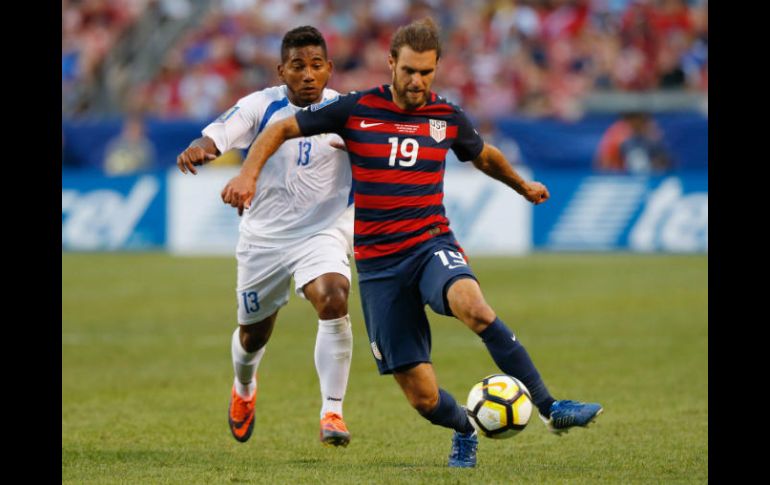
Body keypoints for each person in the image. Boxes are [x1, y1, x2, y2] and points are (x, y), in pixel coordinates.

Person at [220, 18, 603, 467]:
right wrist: (247, 172)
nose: (417, 81)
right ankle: (464, 427)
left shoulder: (445, 117)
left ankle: (549, 407)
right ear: (391, 65)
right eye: (409, 71)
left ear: (436, 68)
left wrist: (523, 186)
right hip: (380, 267)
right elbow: (280, 129)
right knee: (422, 398)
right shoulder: (355, 110)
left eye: (426, 72)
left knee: (474, 307)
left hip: (429, 244)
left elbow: (484, 155)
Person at [176, 26, 355, 447]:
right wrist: (200, 149)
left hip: (321, 231)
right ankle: (244, 387)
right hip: (264, 240)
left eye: (316, 66)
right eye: (298, 66)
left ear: (329, 69)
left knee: (334, 296)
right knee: (253, 335)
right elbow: (216, 136)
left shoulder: (348, 112)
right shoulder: (259, 105)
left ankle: (333, 411)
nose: (308, 75)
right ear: (281, 70)